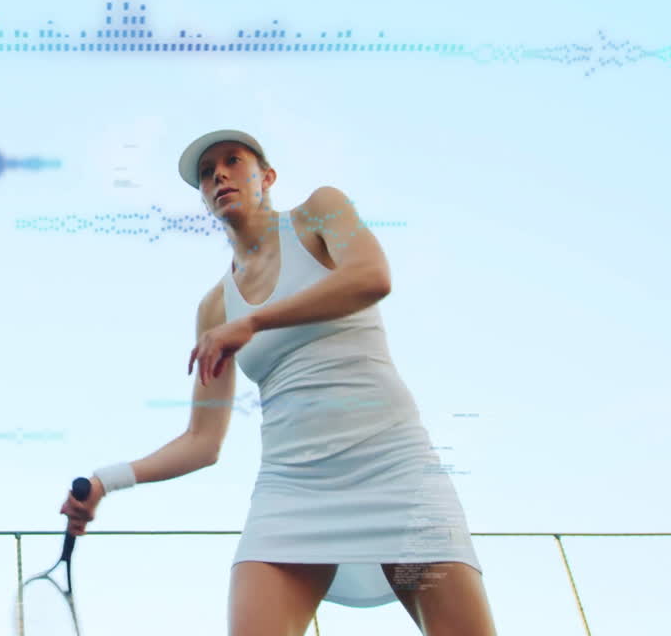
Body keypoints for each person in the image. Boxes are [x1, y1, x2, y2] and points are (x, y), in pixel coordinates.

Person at [60, 129, 499, 636]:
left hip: (394, 466)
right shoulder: (215, 307)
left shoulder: (320, 211)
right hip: (292, 490)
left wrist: (255, 322)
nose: (219, 174)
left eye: (233, 161)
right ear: (203, 196)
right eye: (207, 173)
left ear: (266, 177)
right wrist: (104, 481)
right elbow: (202, 443)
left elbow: (372, 276)